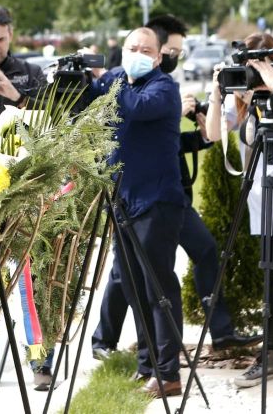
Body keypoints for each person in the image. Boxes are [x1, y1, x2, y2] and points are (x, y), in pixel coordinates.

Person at [91, 16, 261, 361]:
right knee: (128, 274)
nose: (174, 58)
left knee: (197, 254)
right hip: (148, 195)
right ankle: (108, 341)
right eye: (171, 51)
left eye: (177, 53)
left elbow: (166, 142)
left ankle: (217, 332)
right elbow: (137, 138)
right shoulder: (141, 86)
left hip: (168, 195)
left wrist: (198, 134)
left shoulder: (161, 86)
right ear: (156, 48)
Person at [89, 27, 187, 398]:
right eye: (132, 47)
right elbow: (89, 101)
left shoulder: (162, 88)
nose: (137, 53)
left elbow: (133, 106)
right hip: (123, 201)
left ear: (159, 56)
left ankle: (169, 372)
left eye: (145, 49)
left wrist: (108, 80)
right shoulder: (118, 78)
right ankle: (147, 365)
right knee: (133, 287)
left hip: (156, 202)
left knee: (158, 288)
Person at [204, 33, 273, 392]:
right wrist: (219, 91)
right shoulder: (247, 105)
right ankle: (271, 354)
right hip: (262, 205)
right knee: (271, 282)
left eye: (257, 68)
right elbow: (212, 134)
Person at [0, 6, 47, 132]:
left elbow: (50, 117)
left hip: (21, 149)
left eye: (0, 39)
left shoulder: (32, 72)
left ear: (11, 35)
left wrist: (18, 97)